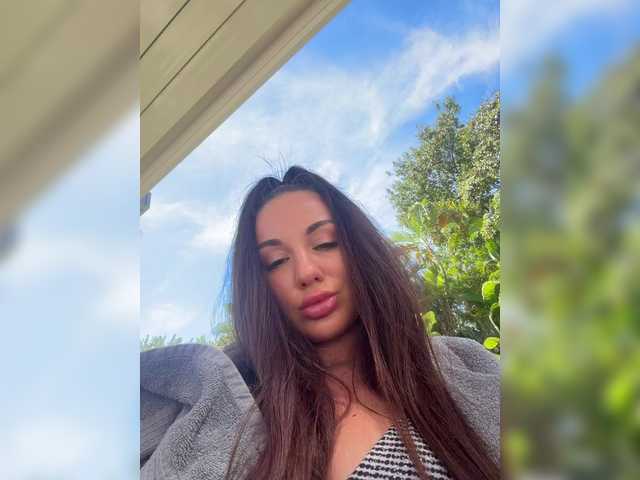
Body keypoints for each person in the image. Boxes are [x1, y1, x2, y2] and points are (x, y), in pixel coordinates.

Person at [140, 166, 500, 480]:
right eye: (277, 261)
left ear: (359, 250)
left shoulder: (463, 368)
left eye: (325, 243)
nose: (306, 272)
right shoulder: (237, 419)